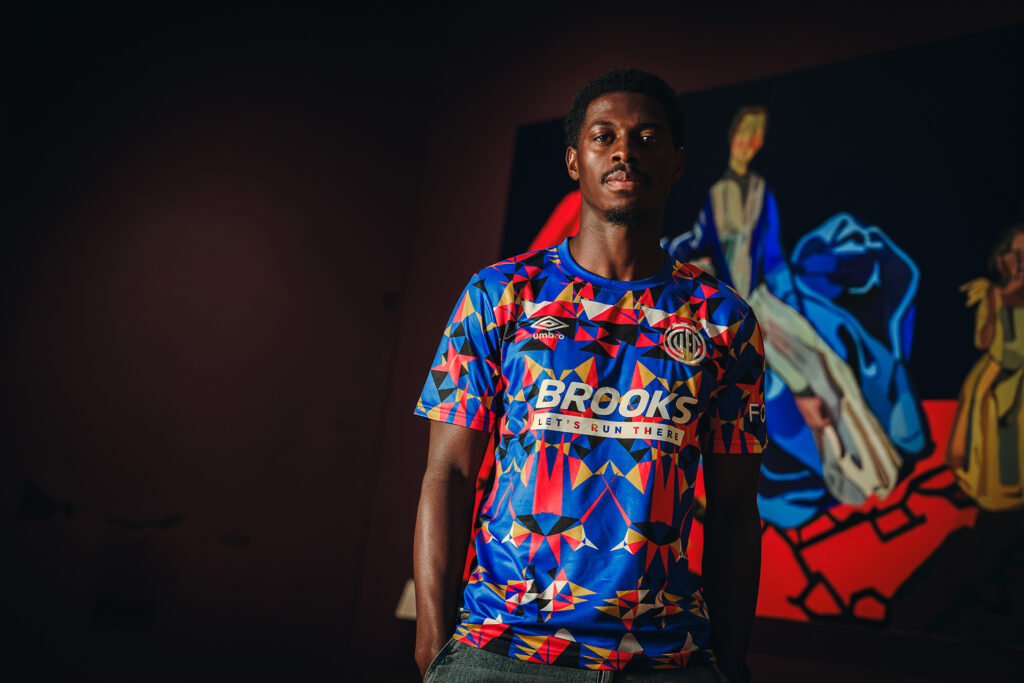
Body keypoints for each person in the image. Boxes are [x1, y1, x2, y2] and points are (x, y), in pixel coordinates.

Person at [413, 68, 766, 682]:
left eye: (648, 136)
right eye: (604, 136)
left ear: (678, 163)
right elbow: (448, 473)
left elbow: (736, 508)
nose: (626, 150)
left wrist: (731, 664)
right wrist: (433, 643)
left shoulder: (723, 319)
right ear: (575, 161)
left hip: (665, 658)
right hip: (501, 652)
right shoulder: (498, 295)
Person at [947, 224, 1024, 511]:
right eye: (1014, 254)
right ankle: (979, 485)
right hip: (997, 366)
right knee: (983, 405)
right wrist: (996, 304)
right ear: (1002, 259)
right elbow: (983, 341)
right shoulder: (990, 293)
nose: (1021, 263)